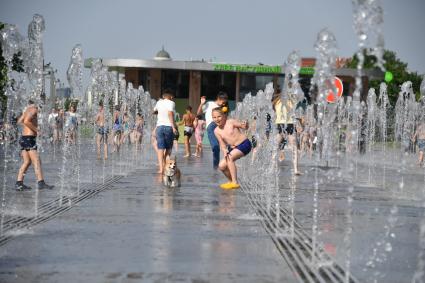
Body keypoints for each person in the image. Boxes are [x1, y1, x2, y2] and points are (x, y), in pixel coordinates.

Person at [15, 100, 54, 191]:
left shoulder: (27, 110)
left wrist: (27, 129)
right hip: (29, 138)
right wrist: (36, 130)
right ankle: (41, 183)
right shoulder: (34, 109)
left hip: (24, 138)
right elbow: (26, 121)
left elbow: (19, 121)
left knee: (27, 162)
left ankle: (19, 183)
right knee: (36, 160)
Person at [212, 107, 251, 190]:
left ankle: (235, 182)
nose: (217, 119)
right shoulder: (216, 131)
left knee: (230, 158)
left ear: (224, 115)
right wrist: (224, 150)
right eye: (214, 117)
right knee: (221, 166)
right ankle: (230, 181)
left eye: (219, 116)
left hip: (244, 144)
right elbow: (222, 144)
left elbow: (243, 126)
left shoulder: (230, 122)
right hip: (233, 148)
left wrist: (245, 124)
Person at [197, 92, 228, 169]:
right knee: (216, 147)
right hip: (211, 125)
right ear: (219, 98)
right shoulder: (210, 104)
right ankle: (216, 167)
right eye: (223, 102)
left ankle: (228, 163)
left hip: (221, 126)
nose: (223, 104)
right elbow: (198, 113)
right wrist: (201, 104)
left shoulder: (223, 108)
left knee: (228, 145)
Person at [153, 89, 177, 174]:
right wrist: (173, 127)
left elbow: (154, 111)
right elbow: (170, 113)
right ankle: (165, 164)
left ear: (163, 96)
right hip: (168, 127)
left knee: (160, 148)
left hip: (159, 127)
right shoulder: (171, 103)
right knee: (169, 148)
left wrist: (160, 112)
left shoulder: (159, 102)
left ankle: (161, 168)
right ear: (171, 96)